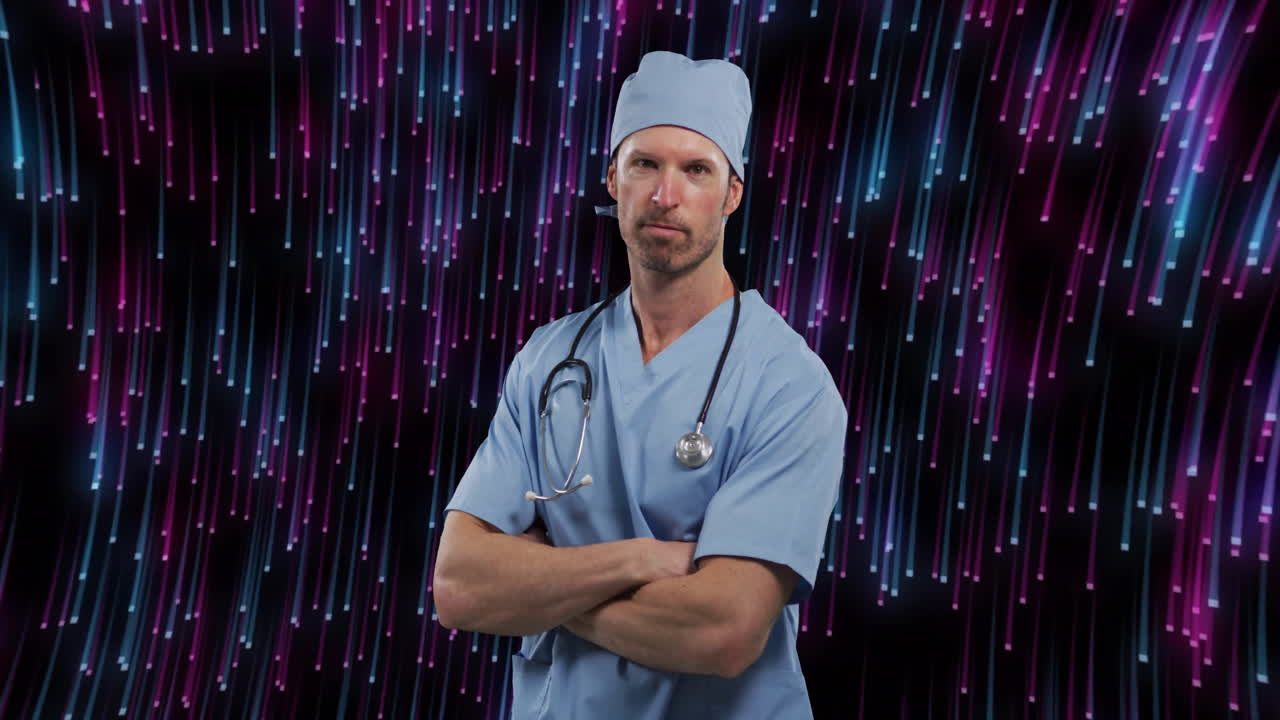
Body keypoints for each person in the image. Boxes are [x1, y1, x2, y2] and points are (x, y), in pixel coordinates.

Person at [433, 50, 848, 719]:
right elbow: (457, 587)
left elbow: (725, 630)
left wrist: (541, 587)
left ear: (733, 193)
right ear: (612, 180)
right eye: (645, 164)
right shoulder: (548, 360)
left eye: (696, 169)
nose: (666, 194)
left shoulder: (788, 385)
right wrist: (644, 560)